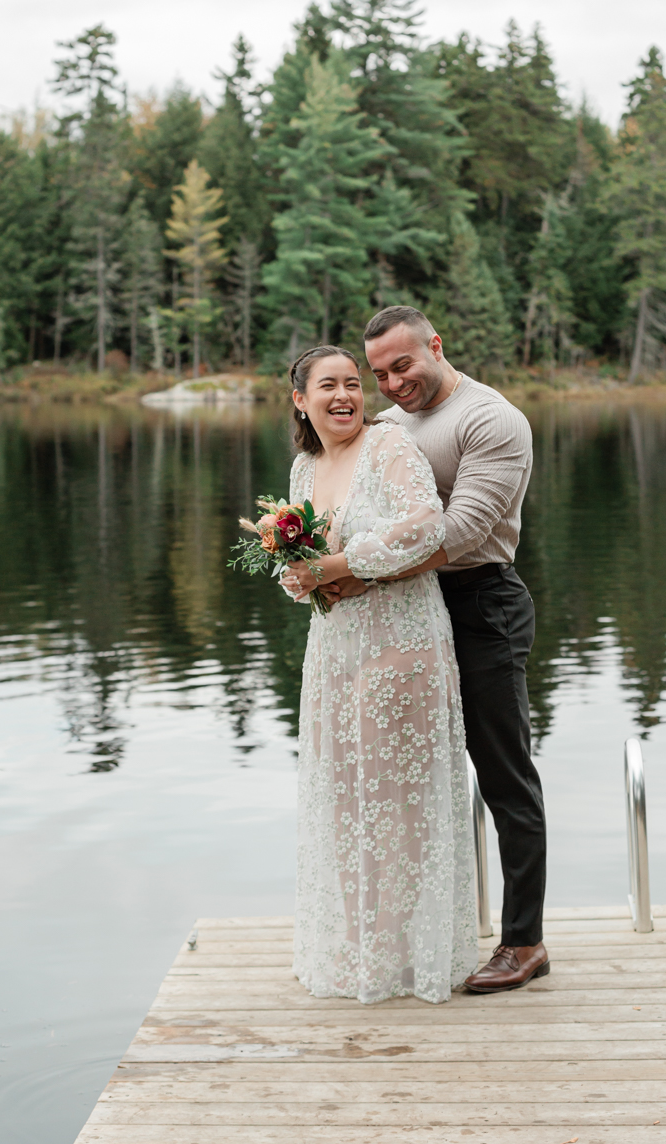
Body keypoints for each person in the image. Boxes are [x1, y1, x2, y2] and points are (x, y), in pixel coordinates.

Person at [333, 305, 549, 994]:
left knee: (503, 774)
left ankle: (524, 941)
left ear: (436, 345)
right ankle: (412, 934)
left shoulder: (492, 420)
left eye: (405, 365)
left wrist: (344, 574)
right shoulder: (390, 428)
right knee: (404, 779)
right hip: (402, 616)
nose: (394, 384)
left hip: (482, 604)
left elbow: (451, 536)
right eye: (380, 374)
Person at [279, 344, 478, 1005]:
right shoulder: (303, 470)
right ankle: (366, 945)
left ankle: (412, 952)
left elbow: (427, 528)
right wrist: (301, 579)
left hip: (402, 643)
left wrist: (343, 567)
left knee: (400, 805)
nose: (344, 396)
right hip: (335, 649)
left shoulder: (390, 448)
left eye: (352, 384)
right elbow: (304, 559)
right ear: (300, 401)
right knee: (345, 798)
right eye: (326, 386)